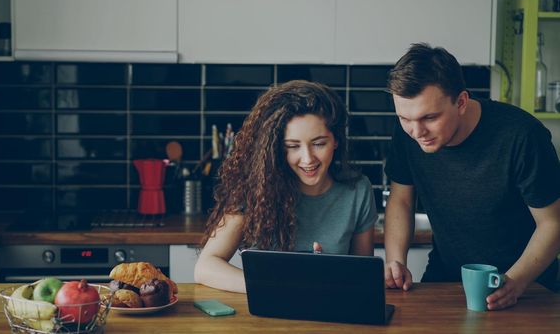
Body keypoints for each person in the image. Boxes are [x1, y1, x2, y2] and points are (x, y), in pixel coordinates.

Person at [383, 43, 560, 310]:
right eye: (404, 118)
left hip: (530, 286)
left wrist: (516, 282)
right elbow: (401, 201)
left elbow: (553, 223)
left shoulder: (523, 136)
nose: (417, 131)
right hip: (447, 279)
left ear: (462, 102)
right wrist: (396, 262)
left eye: (429, 117)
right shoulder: (408, 135)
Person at [194, 80, 378, 293]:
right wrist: (280, 286)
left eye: (319, 143)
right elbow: (205, 267)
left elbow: (363, 276)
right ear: (275, 150)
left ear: (336, 140)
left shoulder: (358, 191)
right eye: (292, 147)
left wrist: (326, 274)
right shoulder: (256, 188)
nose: (308, 159)